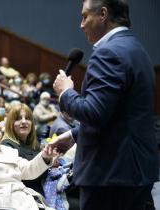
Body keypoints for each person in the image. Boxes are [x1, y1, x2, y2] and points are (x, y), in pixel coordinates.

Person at [50, 0, 159, 210]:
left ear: (102, 14)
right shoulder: (138, 50)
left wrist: (65, 92)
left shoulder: (109, 53)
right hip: (133, 171)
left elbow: (94, 112)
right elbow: (120, 115)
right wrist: (75, 135)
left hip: (111, 175)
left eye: (84, 17)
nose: (81, 25)